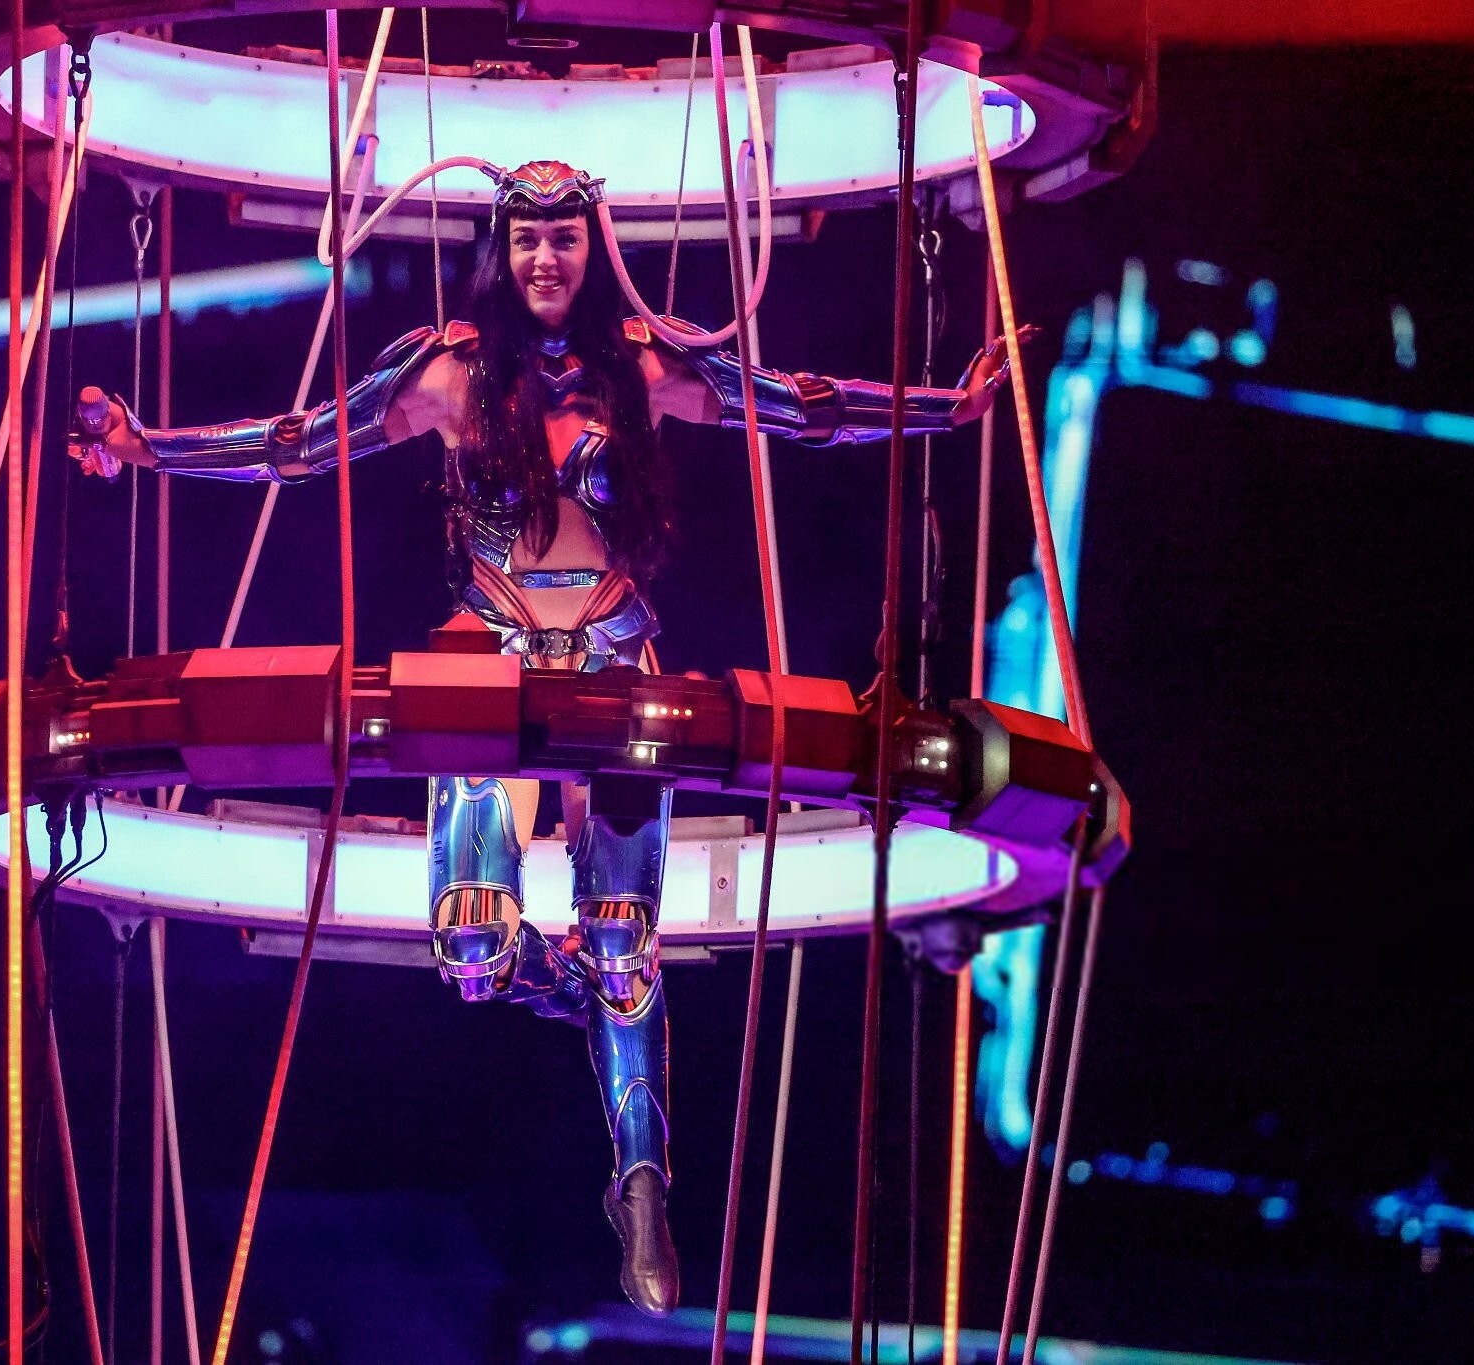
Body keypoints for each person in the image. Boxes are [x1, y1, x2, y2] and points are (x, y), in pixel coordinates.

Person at [72, 160, 1016, 1316]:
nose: (545, 260)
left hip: (613, 655)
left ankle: (640, 1179)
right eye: (526, 240)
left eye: (565, 239)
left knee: (622, 938)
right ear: (500, 252)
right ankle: (566, 992)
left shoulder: (643, 366)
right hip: (488, 659)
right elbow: (297, 443)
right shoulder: (447, 374)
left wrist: (941, 409)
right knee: (472, 948)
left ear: (594, 248)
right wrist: (147, 446)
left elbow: (795, 406)